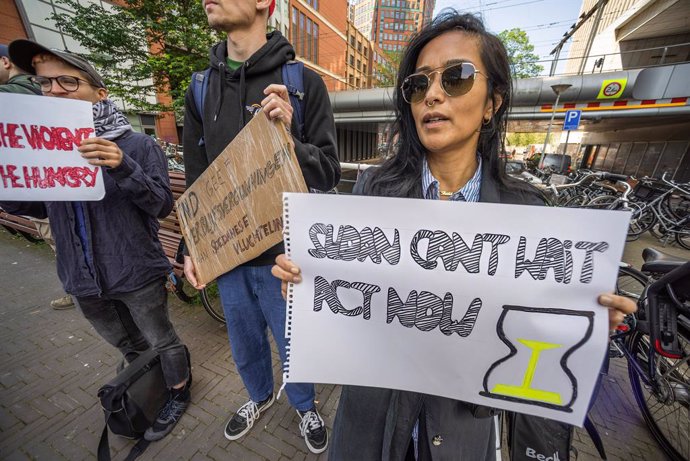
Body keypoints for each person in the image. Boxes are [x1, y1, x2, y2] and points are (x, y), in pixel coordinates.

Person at [271, 11, 637, 460]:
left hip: (461, 433)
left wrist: (589, 321)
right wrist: (305, 290)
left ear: (492, 102)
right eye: (418, 84)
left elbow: (541, 344)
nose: (434, 95)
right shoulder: (372, 191)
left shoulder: (528, 212)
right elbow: (348, 306)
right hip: (371, 425)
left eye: (457, 77)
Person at [1, 40, 191, 442]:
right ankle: (147, 380)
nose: (53, 91)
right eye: (45, 83)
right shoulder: (44, 151)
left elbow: (160, 205)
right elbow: (38, 207)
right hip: (82, 279)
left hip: (135, 272)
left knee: (162, 339)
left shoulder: (137, 145)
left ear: (99, 94)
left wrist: (124, 166)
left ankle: (178, 389)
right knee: (126, 343)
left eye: (66, 82)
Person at [182, 0, 340, 454]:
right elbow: (197, 179)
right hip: (227, 256)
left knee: (296, 343)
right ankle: (258, 397)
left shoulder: (304, 84)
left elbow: (328, 172)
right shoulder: (199, 88)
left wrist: (291, 137)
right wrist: (190, 247)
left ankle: (305, 403)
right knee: (244, 340)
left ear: (263, 3)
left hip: (286, 258)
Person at [0, 43, 73, 310]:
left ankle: (78, 290)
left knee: (63, 247)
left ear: (6, 62)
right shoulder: (33, 94)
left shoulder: (10, 94)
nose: (52, 90)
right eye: (45, 82)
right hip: (50, 191)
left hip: (46, 196)